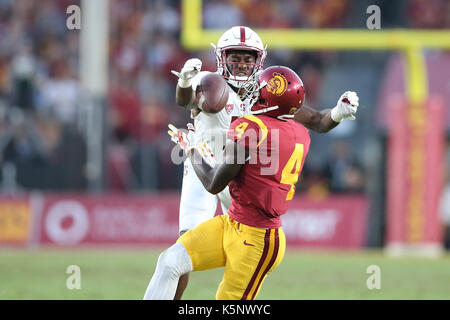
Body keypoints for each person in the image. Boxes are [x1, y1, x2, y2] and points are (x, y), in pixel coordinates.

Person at [169, 26, 359, 299]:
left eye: (248, 58)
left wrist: (338, 113)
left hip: (238, 177)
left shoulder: (268, 89)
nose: (242, 63)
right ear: (222, 57)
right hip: (202, 168)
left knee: (242, 245)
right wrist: (185, 81)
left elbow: (316, 120)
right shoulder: (208, 81)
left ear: (259, 59)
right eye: (236, 56)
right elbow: (184, 101)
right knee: (183, 247)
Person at [144, 66, 312, 299]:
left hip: (256, 239)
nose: (252, 95)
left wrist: (191, 147)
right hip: (232, 223)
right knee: (170, 262)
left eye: (258, 91)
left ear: (269, 99)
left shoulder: (252, 128)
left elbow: (214, 184)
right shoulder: (300, 132)